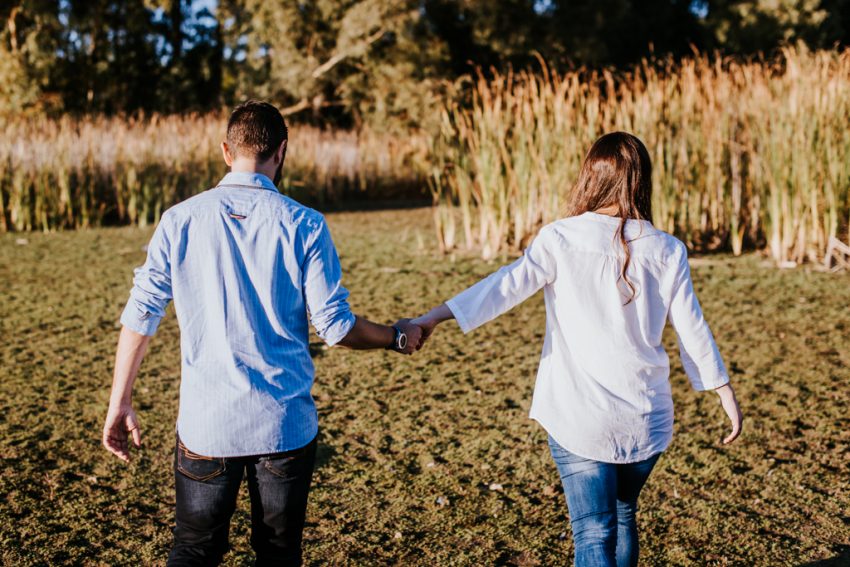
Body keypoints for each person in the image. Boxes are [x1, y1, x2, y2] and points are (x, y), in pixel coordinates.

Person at [102, 100, 423, 567]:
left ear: (226, 152)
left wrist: (120, 402)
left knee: (193, 549)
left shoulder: (179, 219)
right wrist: (395, 336)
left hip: (206, 426)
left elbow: (141, 314)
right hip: (283, 424)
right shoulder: (306, 223)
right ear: (282, 152)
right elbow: (335, 328)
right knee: (277, 553)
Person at [412, 132, 743, 567]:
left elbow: (502, 288)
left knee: (593, 531)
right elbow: (691, 327)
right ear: (641, 181)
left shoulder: (560, 239)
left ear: (592, 177)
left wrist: (433, 317)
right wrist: (723, 392)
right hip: (646, 419)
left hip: (580, 418)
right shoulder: (668, 249)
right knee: (623, 515)